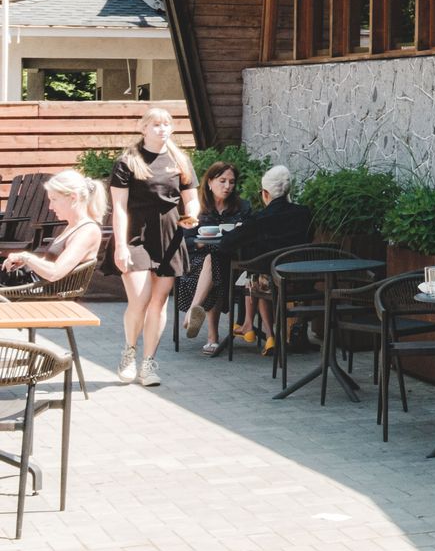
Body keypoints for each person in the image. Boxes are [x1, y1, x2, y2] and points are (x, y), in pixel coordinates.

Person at [107, 106, 198, 387]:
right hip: (135, 235)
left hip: (169, 235)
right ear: (143, 128)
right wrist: (120, 245)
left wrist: (192, 216)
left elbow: (191, 198)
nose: (162, 129)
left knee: (158, 302)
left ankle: (148, 363)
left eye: (166, 124)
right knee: (140, 299)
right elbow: (119, 208)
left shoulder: (179, 160)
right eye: (155, 124)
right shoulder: (128, 161)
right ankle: (129, 351)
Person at [207, 165, 314, 355]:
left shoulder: (260, 219)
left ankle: (252, 327)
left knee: (254, 276)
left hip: (273, 284)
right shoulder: (305, 213)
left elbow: (225, 244)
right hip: (303, 282)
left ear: (265, 193)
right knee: (258, 273)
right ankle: (256, 328)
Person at [180, 162, 249, 355]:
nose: (227, 186)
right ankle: (211, 336)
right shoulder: (196, 207)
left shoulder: (242, 207)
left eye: (231, 182)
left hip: (232, 261)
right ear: (210, 182)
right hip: (196, 263)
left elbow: (249, 234)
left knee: (216, 262)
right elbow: (184, 241)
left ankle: (195, 311)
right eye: (222, 181)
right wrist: (201, 242)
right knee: (212, 262)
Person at [0, 170, 106, 287]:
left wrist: (26, 257)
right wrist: (25, 262)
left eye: (54, 199)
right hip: (30, 285)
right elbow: (50, 263)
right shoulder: (73, 227)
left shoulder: (87, 231)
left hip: (36, 292)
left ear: (73, 198)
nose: (50, 207)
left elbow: (54, 273)